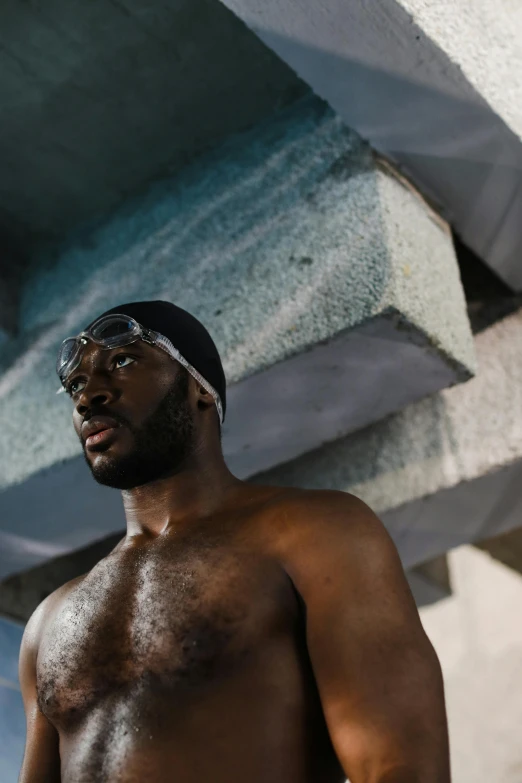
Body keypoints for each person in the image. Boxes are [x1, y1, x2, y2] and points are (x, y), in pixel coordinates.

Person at [18, 300, 451, 783]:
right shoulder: (50, 620)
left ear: (199, 388)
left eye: (122, 361)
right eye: (75, 384)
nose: (88, 395)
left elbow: (400, 768)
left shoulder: (312, 531)